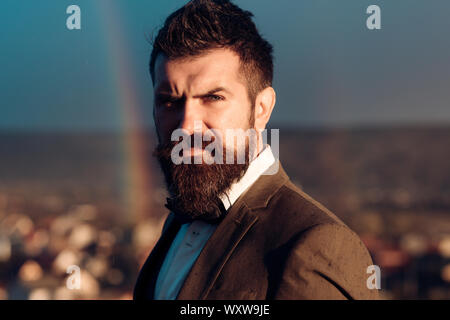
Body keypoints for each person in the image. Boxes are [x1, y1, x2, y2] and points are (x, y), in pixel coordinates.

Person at [134, 0, 379, 300]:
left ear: (261, 109)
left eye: (213, 97)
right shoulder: (176, 225)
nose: (187, 126)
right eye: (169, 101)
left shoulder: (314, 245)